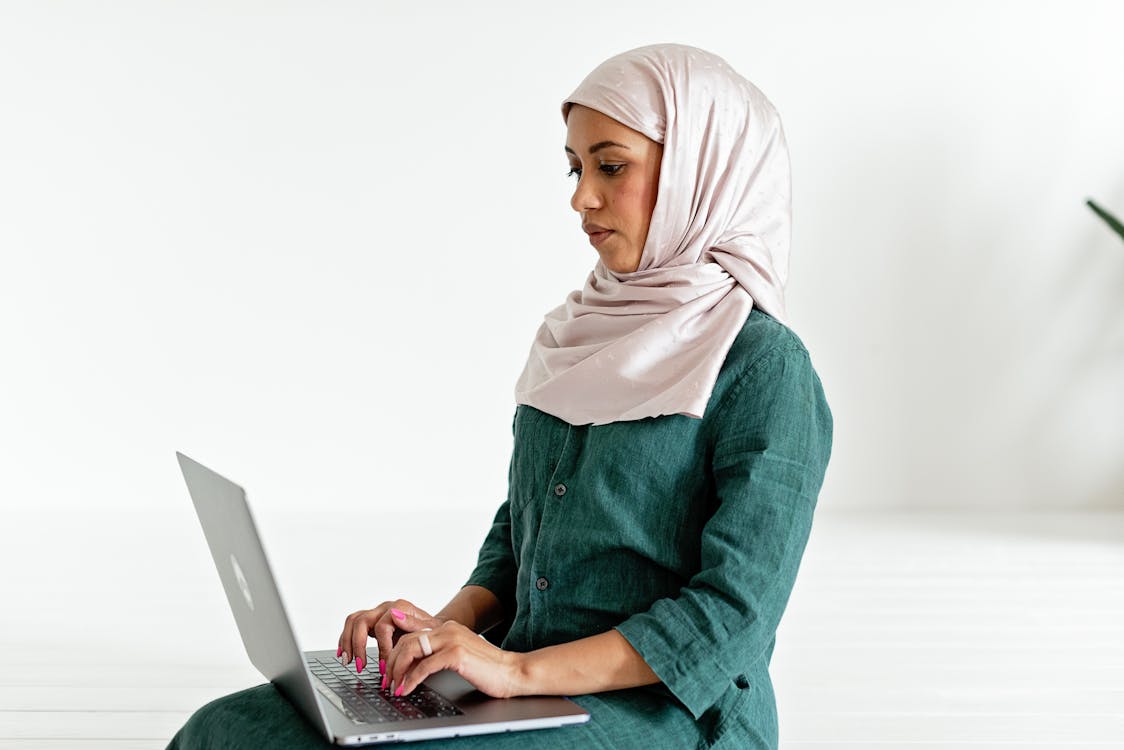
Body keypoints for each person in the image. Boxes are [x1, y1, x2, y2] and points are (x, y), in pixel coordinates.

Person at [166, 43, 833, 750]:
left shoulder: (764, 369)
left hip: (664, 712)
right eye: (576, 169)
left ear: (704, 170)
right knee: (227, 730)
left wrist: (515, 670)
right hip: (515, 679)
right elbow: (521, 535)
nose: (582, 197)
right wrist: (433, 632)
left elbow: (729, 618)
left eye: (611, 165)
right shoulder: (578, 334)